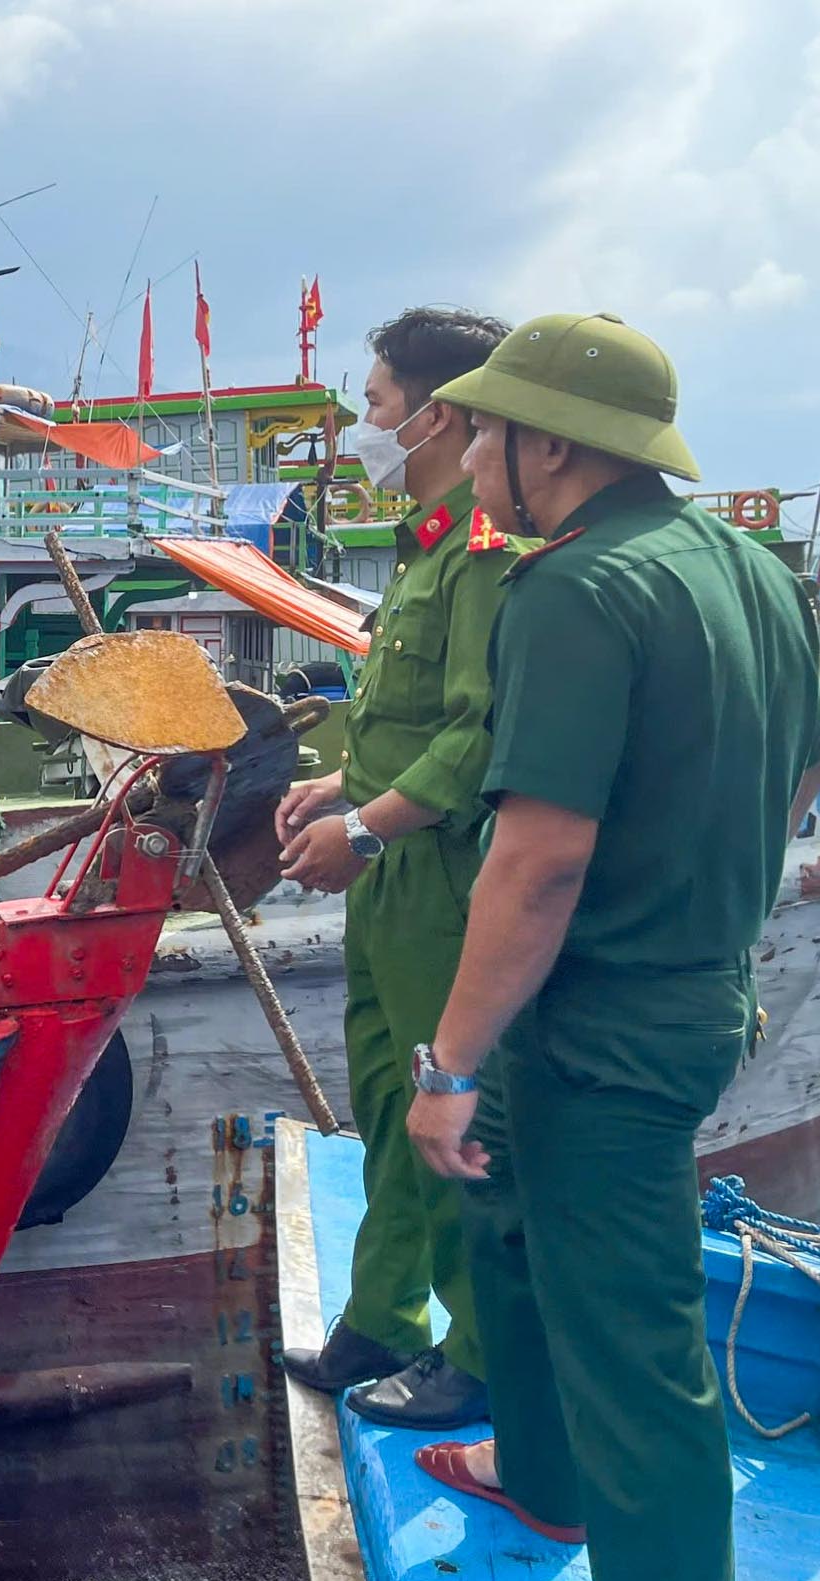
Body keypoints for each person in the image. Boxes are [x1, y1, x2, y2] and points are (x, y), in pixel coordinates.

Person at [402, 313, 820, 1581]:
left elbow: (538, 866)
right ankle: (542, 1479)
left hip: (605, 1025)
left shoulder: (575, 590)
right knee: (510, 1225)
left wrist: (446, 1065)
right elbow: (800, 769)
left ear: (551, 444)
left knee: (634, 1349)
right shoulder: (750, 568)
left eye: (484, 430)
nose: (472, 456)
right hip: (667, 996)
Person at [276, 307, 520, 1429]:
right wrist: (341, 783)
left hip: (435, 880)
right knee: (384, 1103)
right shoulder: (426, 546)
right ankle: (385, 1316)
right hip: (387, 881)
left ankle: (477, 1353)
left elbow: (476, 734)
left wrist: (368, 825)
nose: (364, 426)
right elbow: (408, 717)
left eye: (375, 405)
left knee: (447, 1114)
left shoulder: (481, 549)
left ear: (441, 413)